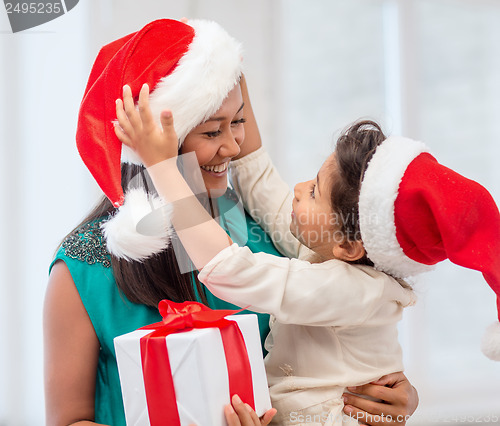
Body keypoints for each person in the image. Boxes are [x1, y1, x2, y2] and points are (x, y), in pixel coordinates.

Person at [44, 18, 420, 426]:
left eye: (238, 122)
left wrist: (395, 393)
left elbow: (332, 353)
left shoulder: (256, 229)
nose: (234, 144)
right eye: (211, 131)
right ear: (155, 149)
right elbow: (68, 420)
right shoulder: (82, 267)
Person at [115, 80, 500, 425]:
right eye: (217, 128)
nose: (298, 188)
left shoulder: (353, 290)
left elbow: (231, 270)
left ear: (349, 246)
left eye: (314, 190)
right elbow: (259, 179)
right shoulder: (336, 250)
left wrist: (163, 168)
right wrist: (228, 67)